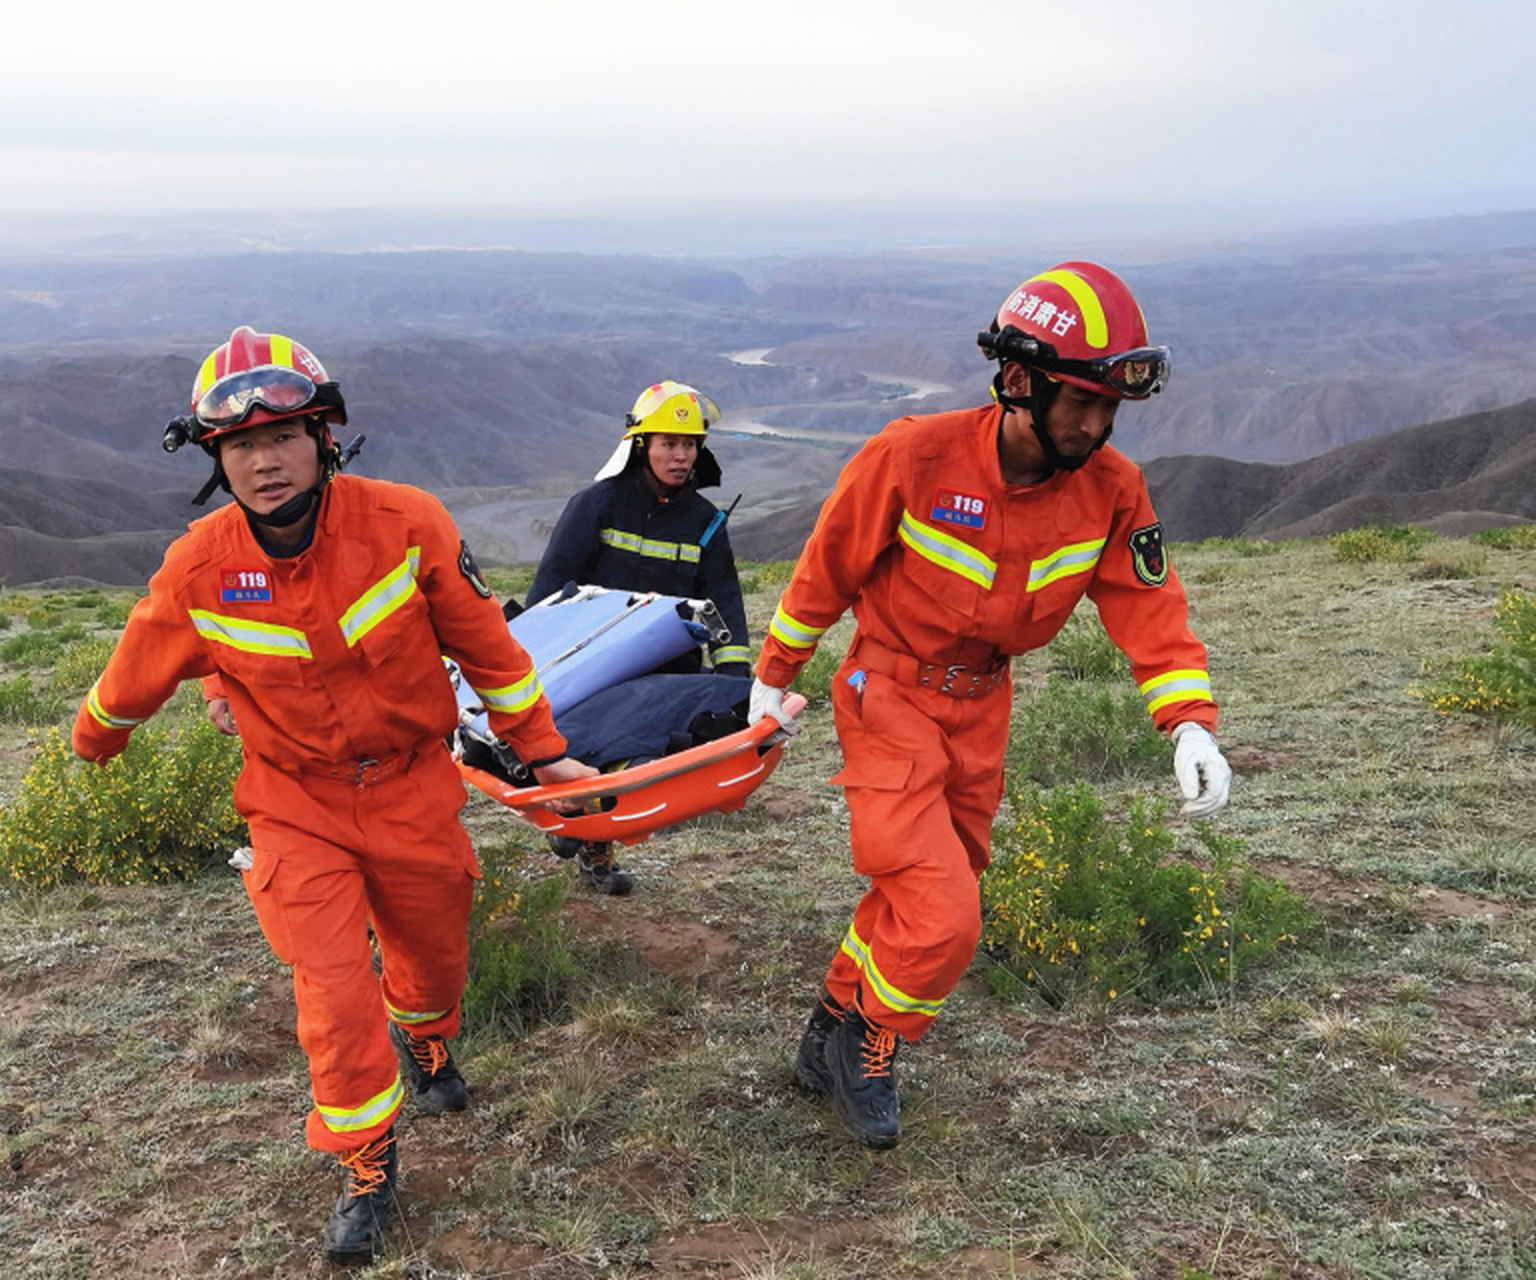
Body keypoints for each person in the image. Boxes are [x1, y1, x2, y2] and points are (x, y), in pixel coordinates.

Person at [71, 327, 596, 1264]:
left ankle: (427, 1039)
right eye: (238, 446)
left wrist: (545, 756)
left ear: (325, 440)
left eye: (283, 438)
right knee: (331, 990)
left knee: (431, 959)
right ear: (215, 460)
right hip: (292, 806)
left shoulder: (407, 523)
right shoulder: (198, 567)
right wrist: (96, 740)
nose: (263, 461)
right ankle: (365, 1156)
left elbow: (489, 650)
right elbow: (134, 670)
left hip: (412, 788)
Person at [746, 262, 1232, 1150]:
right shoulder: (912, 457)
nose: (1095, 424)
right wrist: (774, 674)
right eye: (1079, 402)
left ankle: (826, 1030)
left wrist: (1189, 720)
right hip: (886, 691)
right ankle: (872, 1046)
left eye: (1108, 408)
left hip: (983, 708)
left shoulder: (1113, 487)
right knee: (943, 917)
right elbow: (828, 568)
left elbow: (1147, 607)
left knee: (924, 892)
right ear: (1019, 381)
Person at [523, 379, 752, 894]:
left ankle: (588, 831)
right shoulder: (596, 506)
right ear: (641, 444)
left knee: (636, 762)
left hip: (668, 673)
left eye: (690, 444)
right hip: (592, 664)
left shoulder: (706, 523)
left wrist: (735, 681)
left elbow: (726, 603)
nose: (680, 455)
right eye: (669, 443)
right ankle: (589, 840)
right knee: (594, 753)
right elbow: (548, 593)